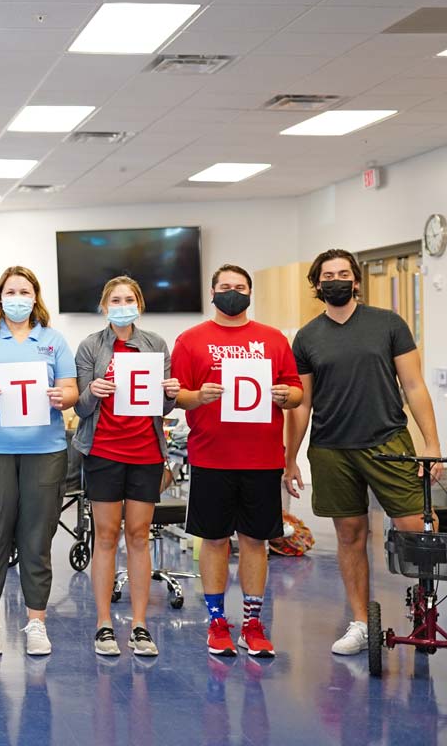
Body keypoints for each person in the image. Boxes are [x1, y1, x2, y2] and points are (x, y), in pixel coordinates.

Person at [284, 248, 445, 656]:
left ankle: (425, 609)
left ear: (356, 281)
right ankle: (360, 622)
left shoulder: (388, 324)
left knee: (416, 528)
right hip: (332, 449)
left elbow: (413, 386)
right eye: (327, 275)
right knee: (350, 535)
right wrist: (289, 458)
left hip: (388, 441)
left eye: (343, 274)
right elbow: (302, 403)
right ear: (317, 285)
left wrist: (432, 445)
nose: (335, 280)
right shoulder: (307, 337)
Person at [172, 265, 302, 658]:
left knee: (255, 540)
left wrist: (285, 396)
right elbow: (176, 395)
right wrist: (200, 397)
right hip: (212, 455)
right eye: (225, 287)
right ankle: (216, 621)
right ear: (212, 292)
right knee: (213, 539)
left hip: (262, 457)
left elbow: (297, 393)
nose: (233, 292)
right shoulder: (190, 341)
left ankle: (252, 622)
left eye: (240, 287)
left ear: (250, 292)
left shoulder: (273, 339)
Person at [0, 266, 78, 656]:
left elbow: (71, 388)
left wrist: (65, 398)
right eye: (11, 290)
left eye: (25, 291)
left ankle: (36, 623)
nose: (18, 297)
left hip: (44, 449)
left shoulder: (53, 340)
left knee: (37, 539)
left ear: (36, 297)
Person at [73, 276, 179, 658]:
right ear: (104, 307)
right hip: (103, 449)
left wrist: (171, 394)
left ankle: (139, 626)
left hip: (145, 451)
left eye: (129, 298)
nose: (122, 304)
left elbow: (164, 408)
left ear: (140, 304)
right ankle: (103, 624)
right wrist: (92, 391)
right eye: (115, 299)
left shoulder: (156, 345)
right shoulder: (90, 346)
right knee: (105, 535)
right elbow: (81, 406)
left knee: (138, 535)